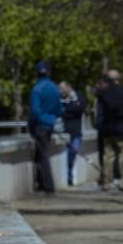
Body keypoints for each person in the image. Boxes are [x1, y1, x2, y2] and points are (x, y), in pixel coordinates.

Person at [29, 61, 62, 192]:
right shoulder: (54, 88)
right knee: (41, 153)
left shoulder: (37, 89)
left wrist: (31, 127)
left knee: (43, 155)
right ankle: (41, 182)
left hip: (40, 125)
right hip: (50, 124)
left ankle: (48, 186)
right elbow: (59, 109)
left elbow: (35, 111)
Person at [95, 72, 123, 190]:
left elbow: (100, 112)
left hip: (108, 128)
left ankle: (106, 182)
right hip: (121, 128)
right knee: (122, 155)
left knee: (107, 156)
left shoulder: (103, 94)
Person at [59, 80, 86, 186]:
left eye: (62, 88)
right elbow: (59, 111)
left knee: (73, 153)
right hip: (64, 132)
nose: (60, 91)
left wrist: (67, 110)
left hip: (75, 132)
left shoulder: (78, 96)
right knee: (66, 156)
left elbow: (80, 108)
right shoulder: (60, 99)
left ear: (68, 87)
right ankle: (68, 177)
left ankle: (70, 176)